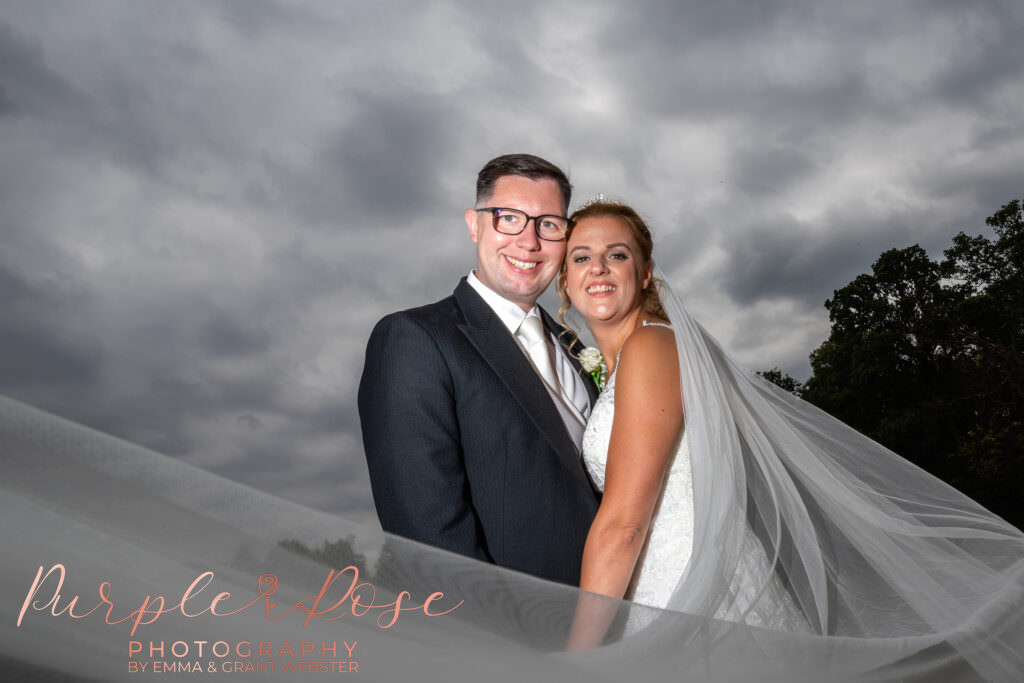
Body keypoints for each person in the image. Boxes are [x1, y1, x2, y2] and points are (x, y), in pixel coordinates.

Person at [559, 200, 1024, 677]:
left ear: (645, 273)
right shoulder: (621, 363)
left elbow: (625, 524)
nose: (597, 267)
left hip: (693, 601)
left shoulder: (651, 347)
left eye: (616, 254)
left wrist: (574, 659)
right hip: (657, 595)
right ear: (566, 280)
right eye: (580, 257)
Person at [357, 154, 600, 585]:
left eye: (548, 224)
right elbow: (428, 536)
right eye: (508, 218)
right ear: (474, 224)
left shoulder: (577, 347)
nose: (528, 242)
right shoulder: (414, 339)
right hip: (517, 634)